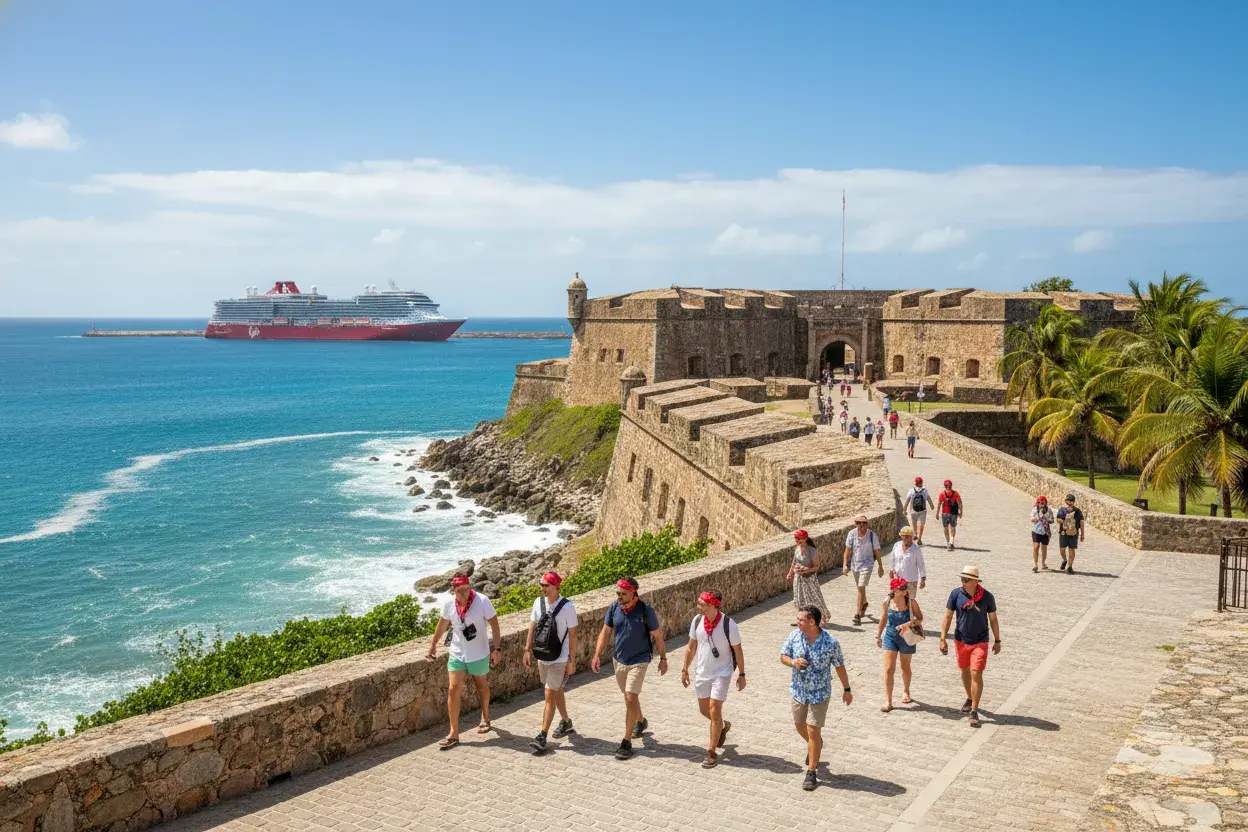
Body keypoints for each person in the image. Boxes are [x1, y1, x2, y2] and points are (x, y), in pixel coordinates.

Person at [591, 577, 668, 760]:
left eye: (623, 594)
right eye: (617, 593)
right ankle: (640, 721)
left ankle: (626, 742)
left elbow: (657, 636)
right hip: (619, 660)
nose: (619, 597)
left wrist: (663, 658)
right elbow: (605, 632)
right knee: (630, 698)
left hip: (640, 660)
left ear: (633, 593)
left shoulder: (645, 610)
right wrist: (596, 654)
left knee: (630, 697)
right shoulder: (614, 608)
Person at [426, 575, 502, 750]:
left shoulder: (482, 601)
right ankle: (453, 733)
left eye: (468, 588)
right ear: (455, 590)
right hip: (457, 653)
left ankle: (485, 717)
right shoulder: (449, 605)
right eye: (461, 590)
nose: (466, 593)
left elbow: (495, 625)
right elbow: (442, 625)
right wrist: (433, 645)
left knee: (481, 685)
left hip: (479, 653)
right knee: (453, 689)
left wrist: (497, 649)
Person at [780, 606, 852, 791]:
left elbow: (839, 666)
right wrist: (793, 662)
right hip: (798, 690)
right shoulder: (795, 635)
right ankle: (816, 745)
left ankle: (811, 771)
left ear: (812, 622)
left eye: (801, 619)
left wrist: (847, 689)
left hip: (820, 692)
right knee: (799, 725)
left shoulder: (830, 642)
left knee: (813, 729)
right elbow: (783, 656)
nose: (798, 622)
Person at [681, 590, 746, 769]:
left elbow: (738, 650)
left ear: (713, 606)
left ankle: (711, 751)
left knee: (714, 708)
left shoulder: (729, 625)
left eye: (702, 604)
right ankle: (722, 726)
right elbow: (691, 647)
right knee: (704, 710)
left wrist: (741, 674)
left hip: (722, 672)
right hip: (702, 672)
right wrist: (684, 669)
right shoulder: (697, 621)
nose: (698, 607)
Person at [939, 566, 1000, 728]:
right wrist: (943, 638)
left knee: (976, 672)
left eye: (966, 580)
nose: (962, 583)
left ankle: (974, 710)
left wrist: (998, 640)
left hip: (980, 641)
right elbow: (948, 616)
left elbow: (993, 619)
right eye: (962, 579)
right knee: (965, 671)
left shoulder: (987, 597)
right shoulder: (955, 594)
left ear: (974, 582)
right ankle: (970, 697)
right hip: (961, 640)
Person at [523, 571, 578, 753]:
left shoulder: (568, 607)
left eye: (546, 585)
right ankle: (566, 722)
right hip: (542, 656)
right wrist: (527, 650)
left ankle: (542, 736)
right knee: (555, 691)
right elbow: (532, 626)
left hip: (559, 658)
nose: (543, 588)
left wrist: (571, 660)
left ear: (556, 586)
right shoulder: (538, 603)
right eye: (541, 584)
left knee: (548, 694)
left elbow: (572, 635)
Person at [876, 577, 923, 712]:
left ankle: (906, 691)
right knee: (889, 668)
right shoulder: (886, 602)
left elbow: (920, 617)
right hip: (890, 636)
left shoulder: (911, 602)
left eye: (905, 587)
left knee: (905, 667)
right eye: (902, 588)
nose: (905, 590)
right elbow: (883, 618)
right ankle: (888, 701)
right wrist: (878, 635)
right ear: (895, 590)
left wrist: (909, 623)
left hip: (907, 637)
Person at [843, 514, 883, 625]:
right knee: (861, 589)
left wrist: (880, 566)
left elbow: (877, 551)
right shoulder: (851, 534)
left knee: (861, 588)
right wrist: (845, 565)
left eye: (864, 523)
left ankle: (858, 615)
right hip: (855, 565)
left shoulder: (872, 535)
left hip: (867, 565)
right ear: (856, 524)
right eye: (859, 523)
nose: (861, 525)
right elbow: (847, 550)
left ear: (867, 524)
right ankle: (864, 603)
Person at [787, 529, 830, 621]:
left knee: (813, 599)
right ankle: (801, 620)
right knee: (799, 599)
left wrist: (807, 570)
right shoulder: (797, 548)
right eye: (796, 538)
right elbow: (794, 562)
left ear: (805, 539)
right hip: (798, 578)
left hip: (809, 579)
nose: (797, 540)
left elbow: (817, 566)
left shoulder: (812, 551)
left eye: (799, 538)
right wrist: (790, 573)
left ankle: (819, 618)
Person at [889, 526, 926, 597]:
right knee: (897, 601)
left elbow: (921, 565)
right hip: (898, 579)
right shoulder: (897, 545)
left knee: (910, 602)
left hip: (910, 581)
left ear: (912, 537)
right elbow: (893, 559)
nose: (906, 538)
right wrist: (892, 570)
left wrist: (923, 579)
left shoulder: (916, 549)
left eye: (908, 537)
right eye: (904, 536)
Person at [1056, 493, 1085, 573]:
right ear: (1065, 501)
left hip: (1073, 533)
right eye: (1068, 500)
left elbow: (1081, 522)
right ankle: (1065, 560)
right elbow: (1058, 519)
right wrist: (1065, 521)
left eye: (1071, 501)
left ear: (1074, 502)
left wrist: (1082, 534)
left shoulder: (1077, 511)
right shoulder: (1062, 509)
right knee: (1062, 550)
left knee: (1071, 549)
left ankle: (1070, 566)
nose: (1069, 502)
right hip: (1063, 532)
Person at [904, 477, 936, 545]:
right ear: (922, 483)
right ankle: (920, 538)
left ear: (915, 483)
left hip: (913, 510)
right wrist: (932, 506)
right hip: (922, 510)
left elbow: (907, 501)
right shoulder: (924, 491)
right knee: (922, 524)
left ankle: (915, 534)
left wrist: (904, 510)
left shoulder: (911, 490)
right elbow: (928, 498)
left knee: (914, 523)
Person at [1030, 496, 1055, 573]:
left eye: (1042, 503)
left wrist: (1046, 520)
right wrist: (1037, 518)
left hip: (1045, 532)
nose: (1040, 504)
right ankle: (1035, 564)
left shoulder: (1049, 510)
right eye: (1039, 503)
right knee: (1036, 547)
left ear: (1045, 503)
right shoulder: (1035, 510)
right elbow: (1031, 519)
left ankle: (1043, 563)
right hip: (1036, 531)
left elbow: (1052, 520)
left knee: (1044, 548)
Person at [938, 479, 963, 550]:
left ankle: (948, 542)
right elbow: (960, 503)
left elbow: (939, 504)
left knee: (945, 528)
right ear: (951, 486)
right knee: (953, 527)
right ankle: (951, 542)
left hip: (945, 513)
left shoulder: (942, 494)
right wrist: (961, 512)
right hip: (953, 513)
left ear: (944, 486)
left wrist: (937, 513)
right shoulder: (955, 493)